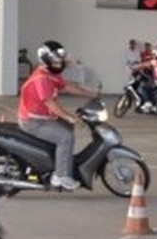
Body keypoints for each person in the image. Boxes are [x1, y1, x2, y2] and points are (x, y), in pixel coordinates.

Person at [18, 40, 99, 191]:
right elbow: (51, 104)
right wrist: (69, 117)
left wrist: (91, 94)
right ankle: (61, 176)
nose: (59, 64)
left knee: (68, 127)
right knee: (65, 137)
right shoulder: (42, 79)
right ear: (47, 60)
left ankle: (56, 162)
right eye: (56, 61)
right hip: (33, 122)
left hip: (43, 117)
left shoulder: (50, 73)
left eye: (60, 60)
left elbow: (68, 87)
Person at [131, 45, 157, 111]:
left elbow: (144, 65)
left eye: (155, 52)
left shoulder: (155, 61)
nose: (153, 53)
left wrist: (134, 67)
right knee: (148, 83)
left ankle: (148, 102)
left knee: (142, 87)